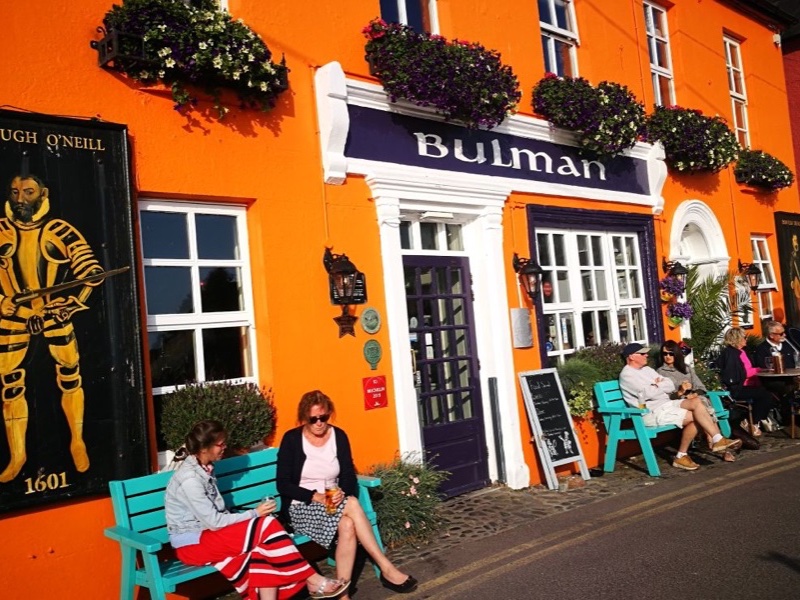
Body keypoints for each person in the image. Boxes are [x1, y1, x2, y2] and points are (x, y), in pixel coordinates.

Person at [164, 419, 350, 600]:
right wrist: (254, 513)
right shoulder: (190, 479)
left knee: (263, 549)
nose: (224, 448)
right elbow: (214, 522)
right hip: (193, 545)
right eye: (220, 444)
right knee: (266, 524)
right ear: (204, 448)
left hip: (209, 536)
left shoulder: (204, 468)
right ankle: (313, 580)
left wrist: (251, 516)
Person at [0, 173, 106, 482]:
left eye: (28, 192)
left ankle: (77, 441)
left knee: (70, 375)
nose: (20, 199)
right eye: (15, 192)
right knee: (10, 383)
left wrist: (72, 302)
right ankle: (18, 455)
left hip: (54, 313)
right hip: (13, 316)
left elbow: (91, 271)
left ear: (43, 194)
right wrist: (2, 301)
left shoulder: (60, 230)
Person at [277, 390, 418, 596]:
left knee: (348, 524)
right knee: (352, 505)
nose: (319, 423)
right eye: (313, 419)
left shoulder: (338, 436)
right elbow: (283, 484)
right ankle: (386, 567)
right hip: (302, 506)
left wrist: (341, 492)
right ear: (304, 417)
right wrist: (315, 496)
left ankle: (342, 594)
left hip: (333, 502)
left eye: (323, 417)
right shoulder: (292, 439)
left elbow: (348, 475)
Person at [619, 343, 741, 471]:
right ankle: (682, 455)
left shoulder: (647, 370)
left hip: (666, 404)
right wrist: (658, 386)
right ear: (631, 356)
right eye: (642, 353)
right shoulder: (627, 375)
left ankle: (717, 439)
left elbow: (670, 385)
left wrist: (656, 386)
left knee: (696, 402)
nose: (646, 355)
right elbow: (648, 394)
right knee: (697, 417)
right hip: (652, 412)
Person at [717, 327, 776, 436]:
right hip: (738, 388)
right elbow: (740, 374)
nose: (746, 339)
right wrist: (759, 370)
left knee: (772, 390)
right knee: (765, 395)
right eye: (744, 337)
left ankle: (755, 420)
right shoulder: (731, 354)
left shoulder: (743, 351)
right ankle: (752, 422)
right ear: (737, 339)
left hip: (750, 384)